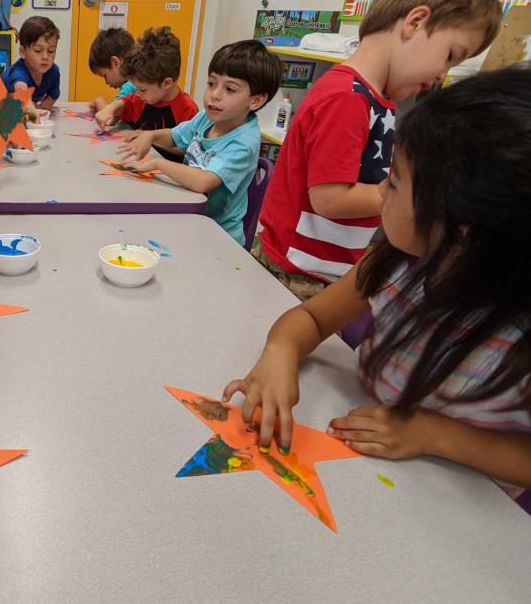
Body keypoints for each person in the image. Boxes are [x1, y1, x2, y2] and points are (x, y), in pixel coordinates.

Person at [224, 68, 531, 497]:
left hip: (448, 510)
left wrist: (433, 434)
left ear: (462, 228)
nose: (380, 189)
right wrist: (281, 350)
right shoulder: (397, 262)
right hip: (359, 471)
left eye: (395, 181)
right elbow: (311, 318)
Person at [254, 0, 501, 300]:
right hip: (295, 273)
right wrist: (411, 196)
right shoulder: (348, 97)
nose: (443, 75)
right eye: (450, 55)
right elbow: (329, 199)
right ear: (415, 22)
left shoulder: (375, 98)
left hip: (323, 268)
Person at [118, 40, 282, 247]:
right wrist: (149, 136)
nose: (215, 94)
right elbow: (175, 136)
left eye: (230, 89)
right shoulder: (208, 116)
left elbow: (204, 181)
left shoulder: (243, 142)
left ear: (256, 101)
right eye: (212, 83)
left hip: (218, 236)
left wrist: (158, 164)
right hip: (189, 215)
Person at [94, 26, 198, 133]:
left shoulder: (188, 110)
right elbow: (124, 104)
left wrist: (150, 138)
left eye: (142, 89)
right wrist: (109, 109)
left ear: (166, 83)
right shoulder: (143, 99)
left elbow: (186, 147)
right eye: (137, 88)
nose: (137, 94)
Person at [1, 16, 61, 109]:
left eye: (51, 51)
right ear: (23, 52)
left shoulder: (53, 71)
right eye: (37, 50)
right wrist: (31, 110)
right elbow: (21, 89)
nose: (45, 57)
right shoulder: (18, 71)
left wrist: (41, 109)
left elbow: (53, 96)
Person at [87, 27, 137, 114]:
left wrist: (100, 102)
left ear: (115, 63)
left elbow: (112, 114)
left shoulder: (132, 84)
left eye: (104, 76)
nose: (106, 82)